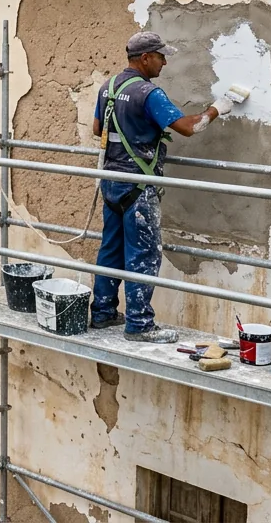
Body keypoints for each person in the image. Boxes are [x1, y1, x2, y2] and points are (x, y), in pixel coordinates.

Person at [90, 31, 234, 342]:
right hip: (139, 186)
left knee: (111, 249)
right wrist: (217, 109)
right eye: (160, 56)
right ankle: (140, 325)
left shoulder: (109, 87)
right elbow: (188, 127)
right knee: (144, 253)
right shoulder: (148, 93)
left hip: (112, 182)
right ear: (144, 58)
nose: (164, 62)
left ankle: (101, 312)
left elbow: (97, 129)